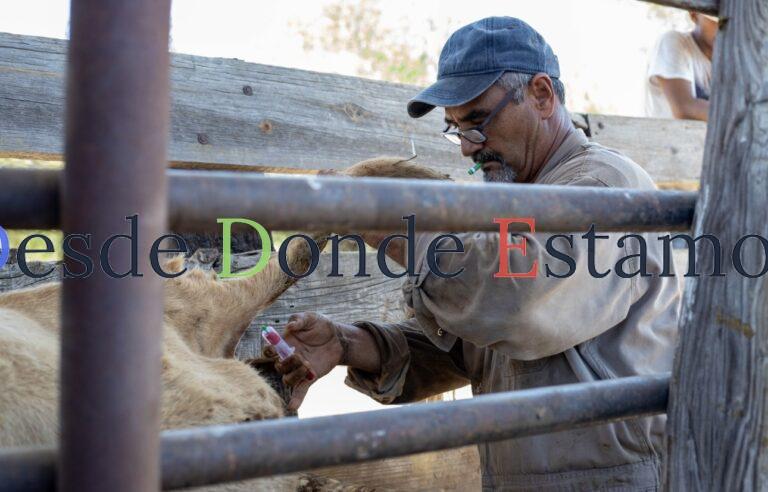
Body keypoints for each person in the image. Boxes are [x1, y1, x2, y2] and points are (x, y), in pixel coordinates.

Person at [268, 17, 681, 491]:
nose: (467, 148)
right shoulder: (515, 202)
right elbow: (479, 350)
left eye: (479, 122)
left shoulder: (604, 187)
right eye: (455, 129)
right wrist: (346, 343)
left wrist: (387, 227)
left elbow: (519, 302)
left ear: (542, 95)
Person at [644, 12, 718, 120]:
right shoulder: (673, 42)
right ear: (693, 14)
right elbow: (685, 108)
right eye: (717, 21)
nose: (726, 28)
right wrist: (744, 116)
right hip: (667, 135)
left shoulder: (732, 62)